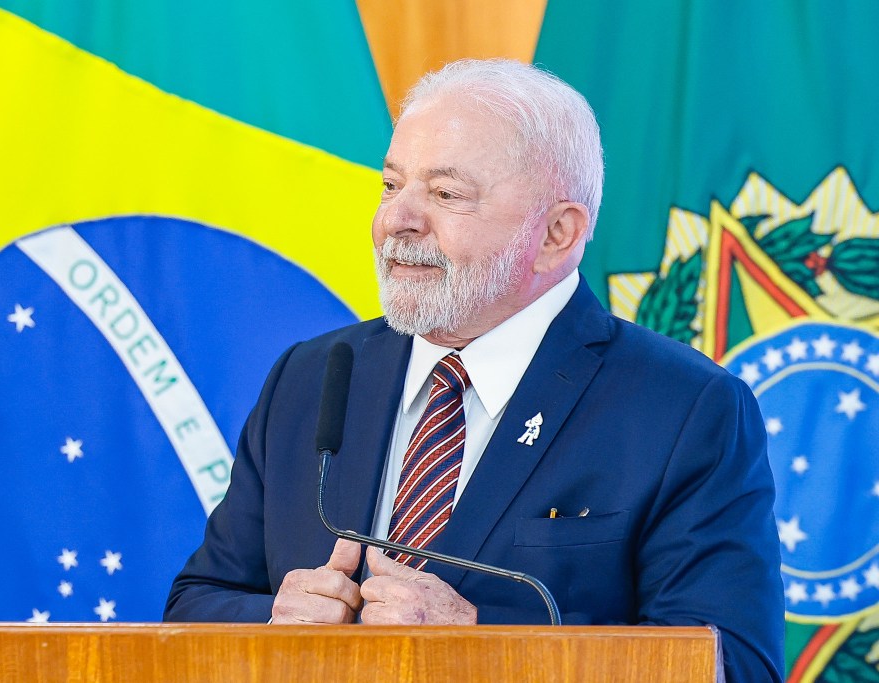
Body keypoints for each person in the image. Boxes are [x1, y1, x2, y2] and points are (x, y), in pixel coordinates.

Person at [165, 58, 784, 681]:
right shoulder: (315, 374)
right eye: (390, 185)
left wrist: (483, 646)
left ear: (557, 234)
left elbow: (734, 665)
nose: (395, 222)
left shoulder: (686, 408)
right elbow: (195, 602)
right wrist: (276, 619)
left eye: (445, 194)